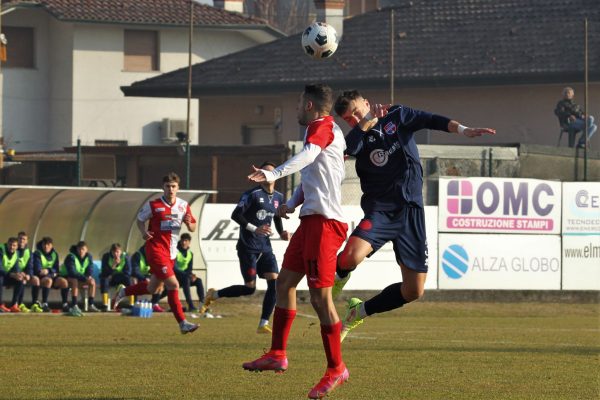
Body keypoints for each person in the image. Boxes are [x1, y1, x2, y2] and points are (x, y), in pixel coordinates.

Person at [331, 90, 496, 341]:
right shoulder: (359, 137)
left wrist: (464, 130)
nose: (354, 118)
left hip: (412, 214)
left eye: (357, 110)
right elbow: (349, 147)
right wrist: (364, 123)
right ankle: (335, 281)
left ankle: (360, 310)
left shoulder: (397, 115)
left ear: (367, 102)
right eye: (348, 118)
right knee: (349, 258)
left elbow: (432, 120)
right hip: (381, 211)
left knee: (413, 290)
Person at [242, 84, 349, 399]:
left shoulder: (324, 127)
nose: (296, 109)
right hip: (310, 221)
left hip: (326, 224)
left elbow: (309, 157)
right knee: (285, 284)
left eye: (300, 104)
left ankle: (336, 368)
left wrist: (274, 175)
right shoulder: (320, 129)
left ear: (311, 105)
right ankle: (277, 354)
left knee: (320, 300)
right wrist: (291, 202)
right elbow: (313, 175)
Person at [203, 162, 290, 333]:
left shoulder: (279, 197)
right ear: (260, 176)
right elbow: (236, 215)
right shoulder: (252, 194)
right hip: (247, 247)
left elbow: (277, 217)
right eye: (265, 172)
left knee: (275, 283)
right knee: (250, 288)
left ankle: (263, 323)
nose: (268, 175)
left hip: (265, 247)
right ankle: (214, 295)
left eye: (272, 173)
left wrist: (281, 233)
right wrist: (254, 228)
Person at [113, 172, 199, 334]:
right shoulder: (153, 205)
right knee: (173, 285)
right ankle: (182, 323)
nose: (171, 189)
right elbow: (139, 219)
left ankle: (123, 292)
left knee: (153, 288)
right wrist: (143, 232)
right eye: (167, 186)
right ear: (163, 187)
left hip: (171, 253)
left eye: (173, 186)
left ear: (178, 188)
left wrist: (189, 224)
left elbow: (193, 226)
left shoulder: (183, 206)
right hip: (155, 250)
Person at [164, 233, 205, 312]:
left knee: (198, 281)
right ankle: (191, 306)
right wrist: (188, 275)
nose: (183, 242)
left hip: (185, 277)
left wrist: (191, 275)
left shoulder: (190, 254)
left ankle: (202, 305)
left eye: (186, 241)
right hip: (174, 277)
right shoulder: (175, 252)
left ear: (189, 242)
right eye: (182, 240)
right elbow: (174, 268)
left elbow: (189, 269)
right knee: (186, 279)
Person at [60, 241, 99, 315]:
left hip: (79, 278)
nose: (81, 251)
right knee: (74, 281)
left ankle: (91, 305)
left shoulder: (89, 257)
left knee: (92, 281)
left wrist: (87, 277)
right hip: (66, 278)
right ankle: (74, 305)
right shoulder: (71, 257)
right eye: (79, 249)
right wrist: (84, 278)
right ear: (77, 249)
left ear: (86, 250)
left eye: (83, 249)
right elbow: (72, 272)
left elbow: (90, 270)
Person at [32, 237, 69, 312]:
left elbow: (56, 269)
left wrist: (48, 270)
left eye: (48, 244)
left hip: (51, 276)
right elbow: (39, 270)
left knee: (64, 282)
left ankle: (65, 304)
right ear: (42, 245)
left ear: (51, 245)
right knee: (48, 280)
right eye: (44, 244)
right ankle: (45, 303)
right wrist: (51, 272)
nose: (46, 246)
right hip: (41, 278)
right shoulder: (37, 253)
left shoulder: (55, 254)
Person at [130, 244, 163, 312]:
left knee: (161, 280)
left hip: (149, 277)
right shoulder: (137, 255)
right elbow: (135, 271)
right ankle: (135, 303)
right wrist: (144, 278)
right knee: (134, 279)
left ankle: (154, 303)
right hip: (138, 277)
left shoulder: (154, 256)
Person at [100, 243, 133, 311]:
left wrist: (113, 274)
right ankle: (105, 305)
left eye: (117, 252)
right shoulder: (106, 257)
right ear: (111, 252)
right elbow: (104, 272)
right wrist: (114, 265)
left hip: (121, 277)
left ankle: (131, 304)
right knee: (104, 280)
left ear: (120, 251)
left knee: (129, 280)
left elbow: (128, 272)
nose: (116, 254)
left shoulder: (125, 257)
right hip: (111, 279)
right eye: (114, 252)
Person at [15, 231, 42, 312]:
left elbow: (30, 265)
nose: (21, 240)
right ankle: (20, 304)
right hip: (16, 273)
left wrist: (29, 274)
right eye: (20, 238)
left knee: (36, 280)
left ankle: (34, 304)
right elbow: (14, 263)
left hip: (25, 273)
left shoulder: (29, 252)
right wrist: (20, 272)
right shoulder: (13, 249)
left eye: (24, 239)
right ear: (17, 239)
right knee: (22, 279)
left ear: (26, 241)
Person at [0, 237, 26, 312]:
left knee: (20, 280)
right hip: (2, 275)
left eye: (14, 245)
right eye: (10, 244)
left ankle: (14, 304)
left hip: (6, 275)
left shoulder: (16, 253)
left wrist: (19, 273)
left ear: (17, 246)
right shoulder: (1, 250)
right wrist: (11, 274)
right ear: (7, 244)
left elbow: (16, 266)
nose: (12, 247)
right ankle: (0, 305)